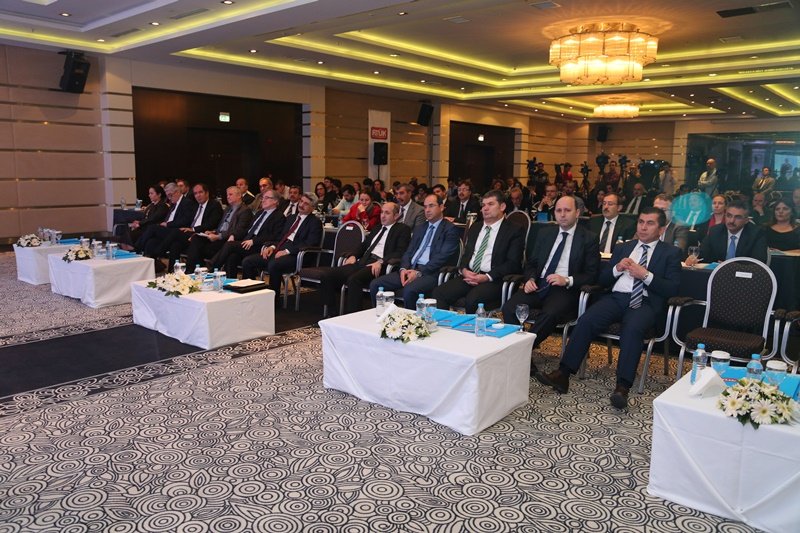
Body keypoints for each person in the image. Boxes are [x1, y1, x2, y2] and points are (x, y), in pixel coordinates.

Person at [535, 207, 682, 409]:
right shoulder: (623, 248)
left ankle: (622, 387)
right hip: (616, 298)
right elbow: (602, 280)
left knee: (632, 329)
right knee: (586, 320)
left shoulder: (671, 253)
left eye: (650, 223)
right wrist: (617, 269)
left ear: (662, 229)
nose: (643, 227)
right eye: (641, 222)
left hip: (645, 302)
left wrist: (645, 275)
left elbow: (672, 288)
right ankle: (563, 374)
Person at [502, 195, 599, 352]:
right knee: (509, 308)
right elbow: (531, 263)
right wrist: (530, 279)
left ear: (577, 213)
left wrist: (566, 280)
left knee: (549, 314)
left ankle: (522, 351)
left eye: (567, 210)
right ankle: (521, 351)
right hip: (539, 284)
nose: (562, 214)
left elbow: (591, 274)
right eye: (558, 210)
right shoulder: (545, 233)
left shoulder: (588, 238)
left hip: (564, 289)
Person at [432, 191, 524, 313]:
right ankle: (444, 324)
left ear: (502, 207)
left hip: (494, 279)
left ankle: (469, 326)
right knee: (439, 293)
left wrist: (486, 277)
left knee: (473, 299)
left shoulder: (514, 230)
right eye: (483, 205)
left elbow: (513, 263)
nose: (485, 208)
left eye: (490, 204)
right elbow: (466, 255)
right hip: (469, 276)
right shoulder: (475, 227)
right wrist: (464, 270)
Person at [318, 202, 411, 315]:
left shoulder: (402, 229)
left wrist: (381, 261)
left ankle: (353, 315)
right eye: (382, 212)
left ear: (396, 216)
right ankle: (331, 312)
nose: (382, 216)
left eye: (387, 213)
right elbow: (363, 246)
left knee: (354, 279)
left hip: (380, 264)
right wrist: (353, 255)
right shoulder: (377, 228)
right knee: (327, 275)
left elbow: (400, 251)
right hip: (363, 261)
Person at [370, 194, 460, 307]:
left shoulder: (450, 229)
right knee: (376, 284)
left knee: (410, 290)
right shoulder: (421, 228)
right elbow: (409, 251)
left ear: (441, 207)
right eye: (425, 207)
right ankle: (383, 316)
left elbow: (442, 257)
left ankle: (410, 319)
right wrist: (403, 268)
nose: (427, 210)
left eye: (431, 206)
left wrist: (418, 272)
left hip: (430, 273)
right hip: (409, 269)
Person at [241, 193, 323, 294]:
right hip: (279, 250)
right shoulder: (291, 218)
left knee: (274, 264)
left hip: (296, 255)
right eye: (301, 201)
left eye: (306, 203)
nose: (301, 205)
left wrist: (287, 251)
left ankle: (274, 298)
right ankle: (251, 294)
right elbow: (280, 238)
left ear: (313, 208)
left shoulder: (314, 222)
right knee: (248, 261)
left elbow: (310, 243)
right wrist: (272, 247)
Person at [150, 183, 224, 271]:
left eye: (200, 192)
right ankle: (172, 272)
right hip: (190, 232)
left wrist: (193, 229)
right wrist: (189, 228)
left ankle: (159, 252)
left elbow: (211, 223)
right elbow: (189, 220)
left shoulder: (214, 205)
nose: (198, 195)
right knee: (175, 244)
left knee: (176, 232)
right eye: (195, 193)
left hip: (203, 234)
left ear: (207, 193)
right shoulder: (196, 205)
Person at [210, 191, 285, 275]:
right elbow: (248, 230)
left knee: (230, 245)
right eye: (262, 198)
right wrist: (234, 235)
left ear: (275, 201)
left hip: (259, 245)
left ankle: (212, 269)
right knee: (232, 257)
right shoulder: (259, 213)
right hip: (247, 242)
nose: (263, 200)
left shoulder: (279, 216)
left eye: (266, 198)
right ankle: (231, 281)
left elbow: (274, 236)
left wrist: (253, 241)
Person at [184, 186, 254, 272]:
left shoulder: (245, 211)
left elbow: (238, 231)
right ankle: (191, 271)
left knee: (198, 248)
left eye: (230, 194)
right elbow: (221, 227)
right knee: (196, 238)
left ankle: (206, 270)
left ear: (239, 195)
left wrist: (218, 236)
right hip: (218, 237)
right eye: (227, 195)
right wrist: (213, 231)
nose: (228, 197)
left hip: (227, 240)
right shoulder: (228, 208)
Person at [687, 198, 768, 265]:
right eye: (729, 216)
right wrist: (693, 259)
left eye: (738, 217)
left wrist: (730, 266)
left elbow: (759, 262)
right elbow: (702, 254)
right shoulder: (715, 231)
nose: (731, 221)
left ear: (746, 220)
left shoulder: (756, 234)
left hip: (744, 276)